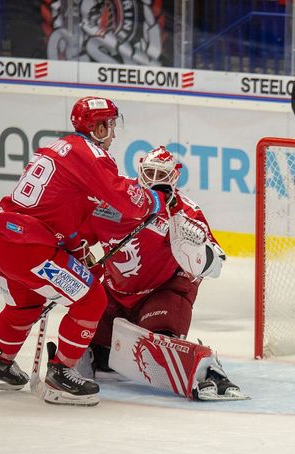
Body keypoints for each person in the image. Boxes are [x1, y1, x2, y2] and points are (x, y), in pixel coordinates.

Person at [0, 96, 165, 406]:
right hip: (31, 247)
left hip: (4, 238)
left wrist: (76, 249)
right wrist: (153, 201)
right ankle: (61, 373)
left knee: (27, 304)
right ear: (97, 126)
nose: (113, 133)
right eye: (110, 125)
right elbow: (125, 200)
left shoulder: (58, 148)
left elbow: (59, 210)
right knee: (92, 299)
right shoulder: (90, 155)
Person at [76, 147, 245, 401]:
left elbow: (215, 264)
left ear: (174, 178)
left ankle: (206, 370)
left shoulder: (186, 211)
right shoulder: (113, 198)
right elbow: (79, 238)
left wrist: (196, 252)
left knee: (159, 346)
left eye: (161, 175)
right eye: (149, 172)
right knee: (98, 354)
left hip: (162, 291)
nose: (154, 179)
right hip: (115, 293)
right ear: (140, 170)